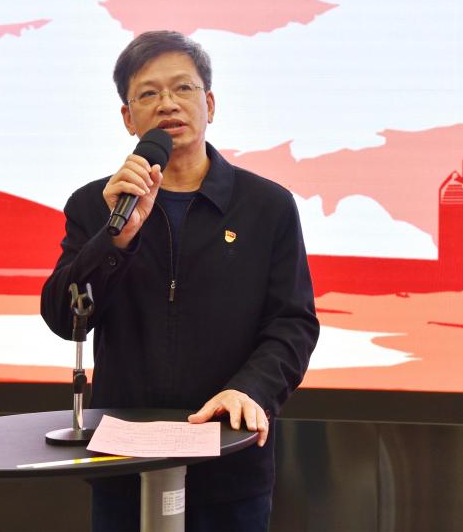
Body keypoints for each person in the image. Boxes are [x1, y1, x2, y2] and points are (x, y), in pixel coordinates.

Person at [41, 30, 320, 531]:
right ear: (128, 118)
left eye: (183, 88)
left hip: (229, 457)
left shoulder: (267, 206)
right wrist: (116, 238)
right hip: (123, 465)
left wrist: (251, 391)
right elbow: (65, 317)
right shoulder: (96, 205)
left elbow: (292, 323)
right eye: (148, 93)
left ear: (209, 103)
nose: (167, 103)